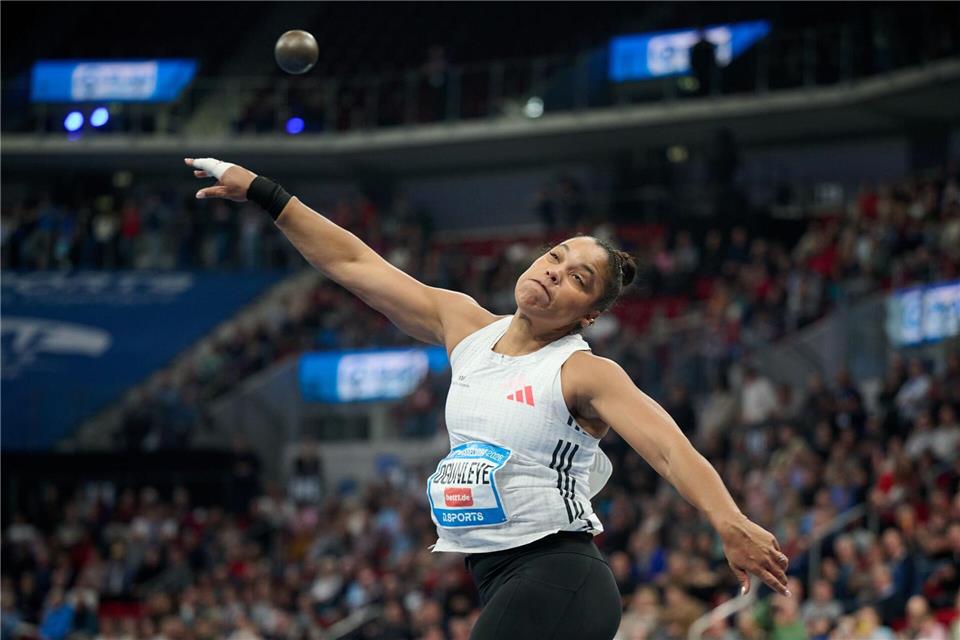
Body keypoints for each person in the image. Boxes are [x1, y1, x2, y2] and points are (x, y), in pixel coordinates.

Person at [184, 157, 791, 640]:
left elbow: (668, 449)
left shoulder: (583, 372)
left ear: (591, 314)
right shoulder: (465, 328)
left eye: (578, 278)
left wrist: (728, 522)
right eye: (557, 256)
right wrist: (265, 193)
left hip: (558, 576)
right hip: (499, 579)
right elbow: (351, 261)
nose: (555, 271)